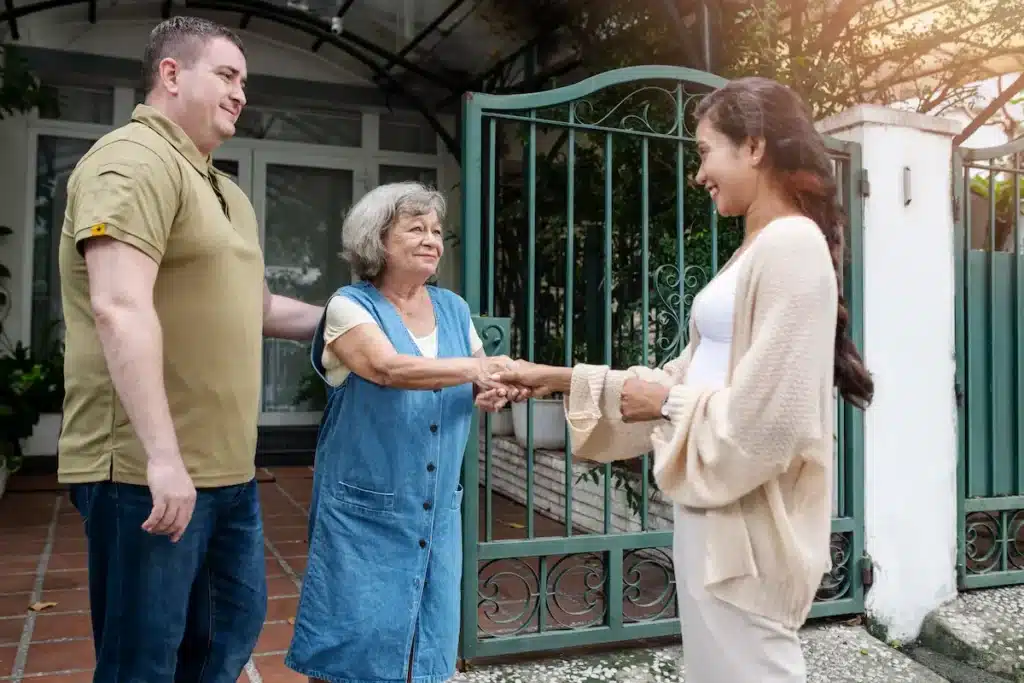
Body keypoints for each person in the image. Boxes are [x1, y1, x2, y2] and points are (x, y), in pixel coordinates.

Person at [494, 76, 874, 682]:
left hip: (749, 530)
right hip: (715, 513)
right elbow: (685, 376)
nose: (699, 174)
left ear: (753, 146)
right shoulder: (754, 249)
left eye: (704, 151)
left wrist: (668, 403)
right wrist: (554, 378)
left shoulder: (792, 246)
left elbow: (768, 425)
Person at [57, 16, 323, 683]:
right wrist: (163, 457)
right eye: (227, 75)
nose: (241, 94)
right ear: (172, 74)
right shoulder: (131, 162)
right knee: (142, 662)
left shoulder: (224, 189)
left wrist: (363, 321)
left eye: (245, 82)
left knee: (222, 640)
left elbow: (258, 308)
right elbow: (118, 305)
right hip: (149, 475)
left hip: (229, 472)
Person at [284, 181, 516, 683]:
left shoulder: (453, 308)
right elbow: (388, 368)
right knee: (356, 645)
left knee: (429, 645)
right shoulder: (349, 306)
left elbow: (479, 379)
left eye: (436, 230)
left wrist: (490, 392)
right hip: (365, 512)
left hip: (437, 513)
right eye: (416, 229)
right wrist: (475, 372)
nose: (432, 238)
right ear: (377, 240)